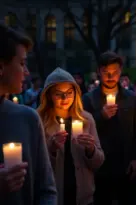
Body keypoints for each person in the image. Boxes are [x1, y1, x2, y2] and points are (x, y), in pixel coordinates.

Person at [0, 23, 57, 204]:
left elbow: (47, 190)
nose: (26, 72)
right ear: (1, 67)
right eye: (22, 63)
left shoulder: (28, 119)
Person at [37, 68, 105, 205]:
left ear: (76, 93)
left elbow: (99, 162)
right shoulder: (39, 121)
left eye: (69, 93)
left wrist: (91, 150)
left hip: (83, 197)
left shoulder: (86, 119)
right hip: (53, 197)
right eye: (59, 94)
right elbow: (36, 166)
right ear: (49, 95)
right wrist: (51, 150)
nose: (64, 98)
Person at [82, 51, 136, 205]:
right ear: (98, 72)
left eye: (114, 72)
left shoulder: (131, 98)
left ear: (120, 71)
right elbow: (82, 129)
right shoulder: (88, 99)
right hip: (101, 167)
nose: (110, 76)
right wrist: (100, 116)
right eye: (105, 72)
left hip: (126, 164)